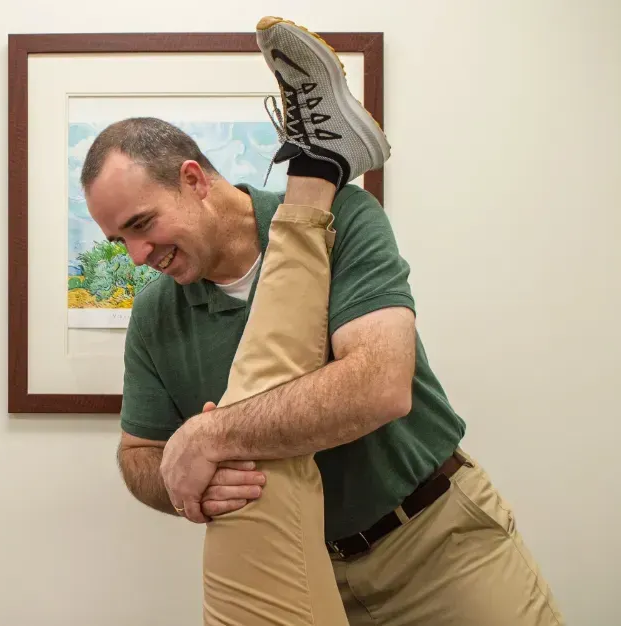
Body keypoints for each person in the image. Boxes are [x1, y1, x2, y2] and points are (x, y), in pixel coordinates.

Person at [80, 15, 565, 626]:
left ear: (195, 180)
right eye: (118, 239)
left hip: (435, 546)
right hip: (302, 566)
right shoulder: (156, 311)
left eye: (141, 225)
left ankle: (319, 167)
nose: (137, 256)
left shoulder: (349, 222)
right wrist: (183, 476)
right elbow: (140, 455)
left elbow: (380, 385)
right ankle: (321, 160)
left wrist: (211, 436)